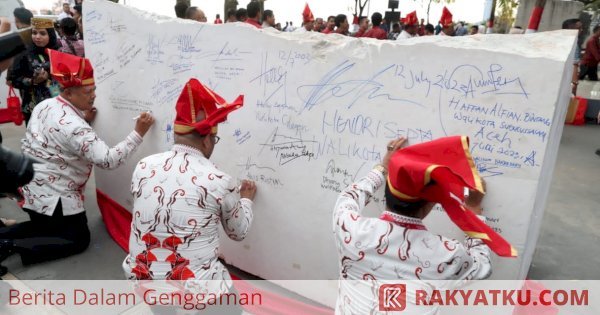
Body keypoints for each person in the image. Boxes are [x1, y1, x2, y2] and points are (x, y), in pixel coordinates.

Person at [0, 49, 155, 275]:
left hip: (32, 189)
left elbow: (60, 136)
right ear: (69, 92)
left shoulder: (46, 104)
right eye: (87, 92)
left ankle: (4, 234)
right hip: (55, 196)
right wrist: (138, 133)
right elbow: (108, 160)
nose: (93, 96)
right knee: (76, 239)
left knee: (45, 227)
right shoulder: (74, 126)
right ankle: (9, 245)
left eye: (93, 90)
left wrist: (83, 117)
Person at [333, 136, 515, 314]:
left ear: (388, 189)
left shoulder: (350, 228)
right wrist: (473, 209)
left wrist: (382, 169)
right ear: (431, 204)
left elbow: (349, 196)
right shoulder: (447, 254)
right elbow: (483, 265)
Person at [123, 79, 255, 313]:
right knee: (230, 307)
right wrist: (245, 199)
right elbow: (238, 231)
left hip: (142, 276)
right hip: (192, 283)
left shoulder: (144, 165)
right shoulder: (218, 180)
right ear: (207, 140)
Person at [7, 18, 61, 124]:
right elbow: (13, 80)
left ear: (50, 35)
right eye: (34, 33)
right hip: (34, 109)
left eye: (42, 33)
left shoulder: (58, 51)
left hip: (58, 106)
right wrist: (33, 81)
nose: (37, 37)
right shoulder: (24, 54)